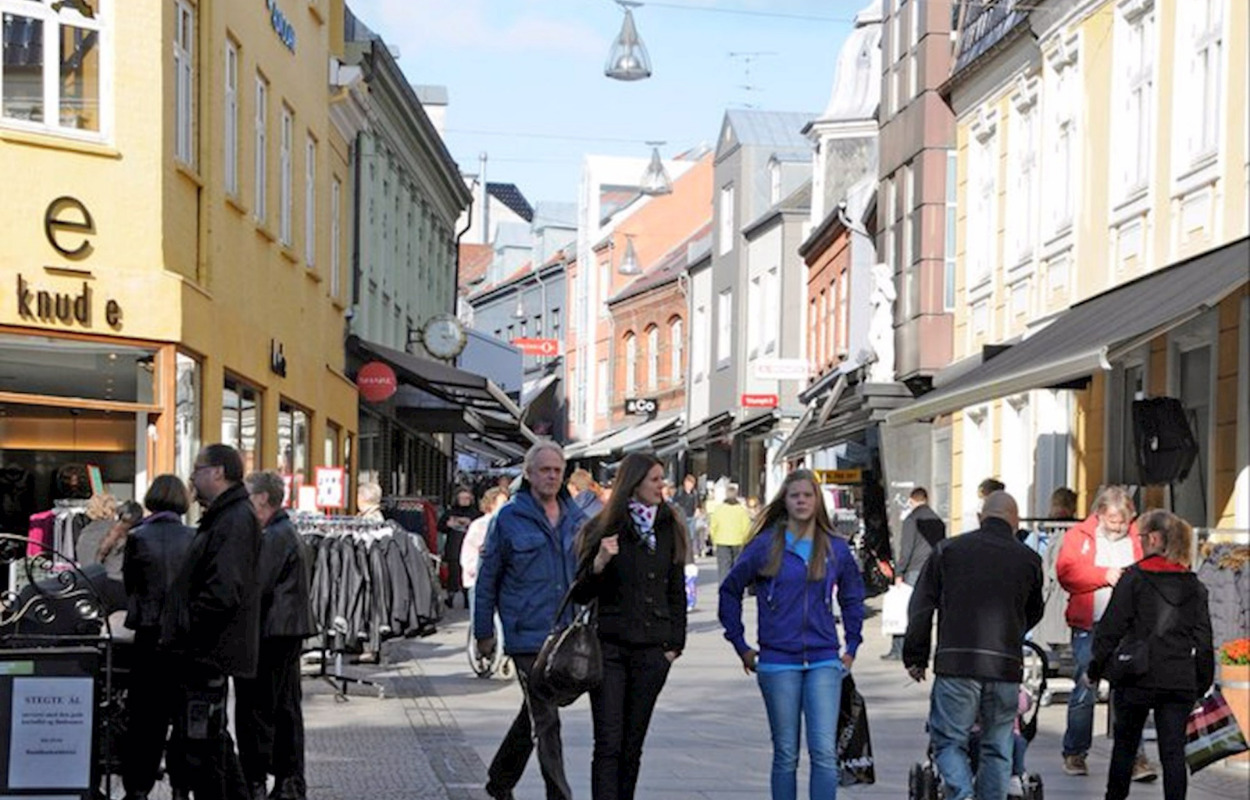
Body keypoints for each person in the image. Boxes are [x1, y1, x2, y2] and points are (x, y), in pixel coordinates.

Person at [719, 469, 866, 800]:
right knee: (786, 755)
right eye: (794, 495)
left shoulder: (835, 549)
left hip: (824, 660)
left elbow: (853, 598)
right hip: (776, 661)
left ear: (817, 501)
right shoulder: (764, 547)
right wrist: (740, 644)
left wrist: (852, 645)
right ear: (784, 501)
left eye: (807, 495)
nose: (801, 501)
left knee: (824, 754)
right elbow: (730, 590)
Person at [903, 491, 1044, 800]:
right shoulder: (1029, 559)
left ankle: (962, 794)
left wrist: (915, 655)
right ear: (1014, 521)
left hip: (957, 664)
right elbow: (1034, 611)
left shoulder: (948, 550)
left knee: (950, 741)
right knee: (998, 745)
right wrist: (1011, 634)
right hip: (1004, 666)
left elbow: (921, 606)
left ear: (982, 517)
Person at [474, 441, 587, 800]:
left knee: (534, 713)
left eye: (557, 470)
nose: (552, 476)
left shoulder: (577, 518)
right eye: (545, 470)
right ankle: (559, 794)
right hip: (525, 634)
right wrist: (483, 631)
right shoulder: (508, 518)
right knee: (547, 718)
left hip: (563, 633)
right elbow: (487, 577)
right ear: (529, 473)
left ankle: (500, 780)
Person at [571, 453, 688, 800]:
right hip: (610, 649)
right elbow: (579, 593)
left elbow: (676, 590)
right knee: (608, 742)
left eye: (661, 478)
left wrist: (673, 645)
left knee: (632, 745)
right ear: (633, 482)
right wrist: (600, 562)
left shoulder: (669, 524)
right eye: (654, 479)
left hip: (652, 651)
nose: (661, 486)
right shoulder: (603, 527)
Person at [1088, 509, 1214, 800]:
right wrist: (1201, 682)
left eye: (1142, 536)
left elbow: (1110, 629)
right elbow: (1205, 641)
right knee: (1173, 753)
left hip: (1136, 676)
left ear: (1155, 538)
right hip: (1178, 678)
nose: (1140, 542)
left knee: (1125, 748)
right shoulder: (1194, 585)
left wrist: (1097, 669)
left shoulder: (1134, 578)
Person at [162, 444, 262, 800]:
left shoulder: (233, 517)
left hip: (207, 651)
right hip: (207, 650)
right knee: (210, 739)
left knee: (204, 744)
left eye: (198, 469)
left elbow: (224, 591)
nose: (192, 477)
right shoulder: (226, 514)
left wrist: (189, 629)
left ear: (218, 472)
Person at [1055, 486, 1156, 781]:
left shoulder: (1138, 537)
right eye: (1114, 521)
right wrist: (1104, 575)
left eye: (1125, 521)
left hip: (1129, 627)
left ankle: (1135, 758)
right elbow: (1066, 573)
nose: (1120, 527)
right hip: (1090, 624)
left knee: (1129, 692)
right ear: (1100, 514)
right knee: (1086, 686)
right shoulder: (1078, 536)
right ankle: (1075, 752)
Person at [237, 471, 314, 800]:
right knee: (284, 708)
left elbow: (257, 586)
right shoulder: (283, 531)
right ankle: (288, 780)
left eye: (247, 496)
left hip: (273, 632)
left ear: (262, 499)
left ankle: (265, 779)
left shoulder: (273, 536)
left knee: (260, 708)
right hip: (284, 630)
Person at [120, 475, 196, 800]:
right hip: (184, 638)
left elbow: (130, 586)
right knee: (183, 717)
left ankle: (138, 788)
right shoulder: (194, 538)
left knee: (145, 719)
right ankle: (181, 787)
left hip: (149, 637)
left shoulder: (137, 538)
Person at [883, 487, 946, 661]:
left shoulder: (911, 519)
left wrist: (899, 572)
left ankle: (899, 649)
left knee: (906, 609)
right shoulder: (938, 521)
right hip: (934, 569)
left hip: (914, 570)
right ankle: (924, 650)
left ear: (912, 501)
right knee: (927, 612)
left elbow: (906, 549)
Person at [461, 486, 509, 620]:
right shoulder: (480, 525)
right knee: (480, 623)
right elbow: (468, 555)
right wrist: (480, 571)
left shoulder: (508, 525)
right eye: (503, 503)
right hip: (480, 582)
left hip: (503, 584)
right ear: (491, 504)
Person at [439, 487, 481, 609]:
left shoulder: (476, 513)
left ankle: (468, 598)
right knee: (453, 574)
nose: (464, 501)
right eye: (462, 498)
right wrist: (448, 524)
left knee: (468, 574)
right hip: (454, 548)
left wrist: (469, 523)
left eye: (467, 498)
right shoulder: (449, 513)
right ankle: (450, 597)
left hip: (471, 549)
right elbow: (440, 527)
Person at [709, 483, 752, 580]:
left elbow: (713, 526)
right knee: (737, 567)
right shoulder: (741, 510)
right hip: (738, 541)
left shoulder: (719, 509)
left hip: (721, 541)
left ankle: (724, 588)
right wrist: (745, 540)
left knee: (723, 568)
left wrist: (714, 539)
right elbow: (747, 527)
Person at [672, 474, 700, 554]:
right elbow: (675, 502)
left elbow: (698, 503)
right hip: (682, 516)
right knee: (682, 534)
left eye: (692, 484)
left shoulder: (694, 493)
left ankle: (689, 551)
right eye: (689, 483)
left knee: (691, 535)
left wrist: (697, 509)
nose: (690, 485)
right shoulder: (680, 491)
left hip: (691, 516)